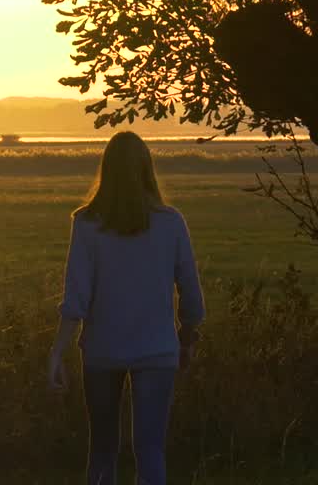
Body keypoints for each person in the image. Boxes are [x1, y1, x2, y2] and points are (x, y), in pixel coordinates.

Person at [47, 131, 205, 485]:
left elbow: (76, 298)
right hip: (158, 350)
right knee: (150, 449)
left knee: (102, 448)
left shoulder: (87, 224)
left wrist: (58, 352)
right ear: (147, 170)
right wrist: (188, 338)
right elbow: (192, 296)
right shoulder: (171, 222)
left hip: (103, 351)